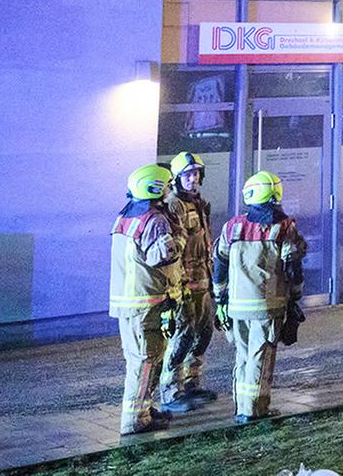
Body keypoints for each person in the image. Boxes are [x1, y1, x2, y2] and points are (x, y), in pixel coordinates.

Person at [214, 171, 307, 425]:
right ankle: (255, 411)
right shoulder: (284, 226)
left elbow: (219, 263)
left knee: (243, 357)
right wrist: (295, 298)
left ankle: (242, 407)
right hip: (267, 306)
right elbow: (293, 268)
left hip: (236, 306)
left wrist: (220, 298)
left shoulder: (232, 226)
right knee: (261, 357)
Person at [110, 163, 180, 435]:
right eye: (167, 185)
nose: (169, 190)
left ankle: (145, 411)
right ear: (156, 187)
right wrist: (175, 293)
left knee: (142, 359)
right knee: (146, 360)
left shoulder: (124, 217)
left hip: (127, 303)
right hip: (147, 302)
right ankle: (134, 420)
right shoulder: (155, 220)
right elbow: (165, 261)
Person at [158, 152, 217, 414]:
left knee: (203, 335)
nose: (193, 178)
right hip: (184, 284)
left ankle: (193, 383)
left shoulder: (200, 204)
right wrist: (175, 287)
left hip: (203, 281)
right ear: (177, 178)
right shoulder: (174, 206)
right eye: (187, 174)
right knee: (182, 336)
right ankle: (171, 391)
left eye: (196, 174)